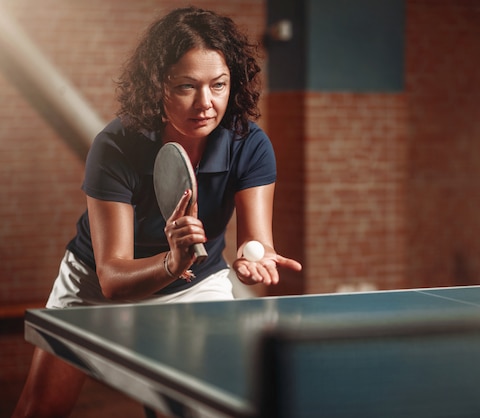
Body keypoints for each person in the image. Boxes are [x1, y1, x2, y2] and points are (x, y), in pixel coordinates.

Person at [12, 6, 302, 417]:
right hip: (94, 287)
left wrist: (251, 259)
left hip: (196, 287)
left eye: (218, 85)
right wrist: (170, 261)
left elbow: (257, 243)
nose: (206, 103)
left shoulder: (249, 144)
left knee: (191, 406)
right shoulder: (116, 146)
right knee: (41, 409)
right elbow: (112, 277)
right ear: (157, 85)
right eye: (187, 86)